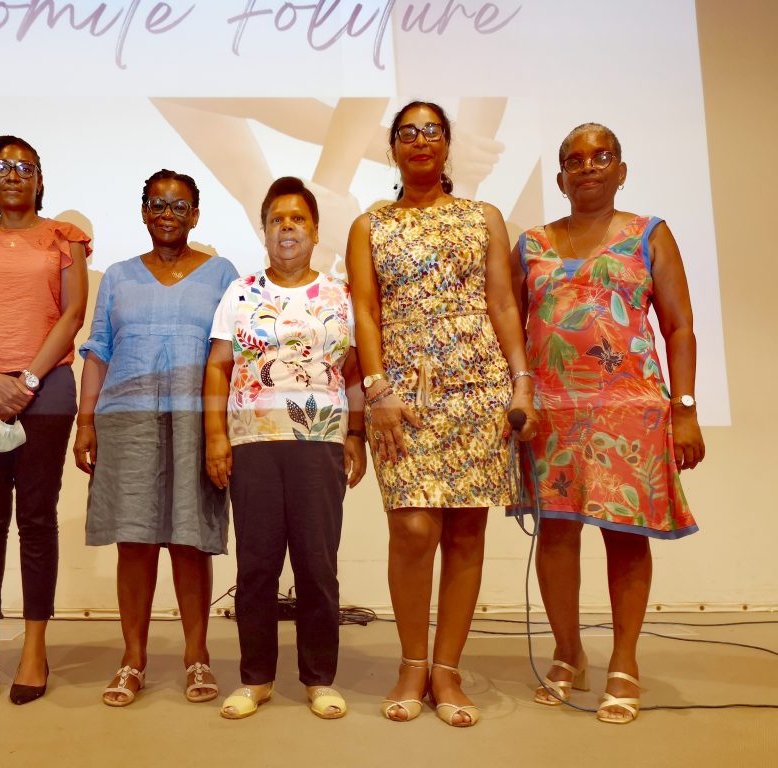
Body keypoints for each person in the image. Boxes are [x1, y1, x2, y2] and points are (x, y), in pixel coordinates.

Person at [346, 101, 537, 726]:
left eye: (432, 131)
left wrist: (522, 383)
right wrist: (377, 391)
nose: (421, 141)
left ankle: (447, 669)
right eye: (408, 132)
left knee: (465, 531)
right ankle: (412, 663)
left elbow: (503, 304)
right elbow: (366, 311)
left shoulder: (483, 218)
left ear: (448, 144)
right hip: (402, 391)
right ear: (393, 148)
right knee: (412, 528)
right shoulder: (370, 225)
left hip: (477, 386)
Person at [509, 123, 704, 725]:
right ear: (561, 177)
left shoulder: (649, 234)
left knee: (626, 537)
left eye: (602, 157)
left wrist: (685, 410)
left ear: (622, 171)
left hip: (631, 412)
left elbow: (679, 326)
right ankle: (569, 652)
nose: (589, 166)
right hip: (552, 414)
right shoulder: (532, 243)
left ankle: (624, 661)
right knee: (556, 536)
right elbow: (509, 329)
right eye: (575, 160)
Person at [205, 176, 367, 720]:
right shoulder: (241, 293)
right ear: (264, 230)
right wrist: (216, 437)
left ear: (316, 231)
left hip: (318, 444)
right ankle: (256, 679)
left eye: (298, 219)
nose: (288, 228)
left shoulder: (340, 296)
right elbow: (218, 368)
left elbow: (353, 372)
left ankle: (319, 679)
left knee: (317, 565)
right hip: (252, 443)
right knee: (256, 566)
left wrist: (356, 434)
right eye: (277, 219)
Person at [73, 169, 237, 706]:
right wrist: (85, 421)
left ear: (196, 215)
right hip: (128, 420)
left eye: (179, 206)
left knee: (191, 541)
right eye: (158, 204)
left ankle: (197, 656)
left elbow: (230, 355)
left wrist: (223, 432)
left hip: (196, 421)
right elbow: (98, 351)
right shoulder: (118, 276)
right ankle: (132, 659)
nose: (168, 214)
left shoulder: (222, 274)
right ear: (144, 211)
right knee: (136, 540)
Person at [0, 135, 90, 706]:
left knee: (36, 518)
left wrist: (26, 381)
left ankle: (34, 647)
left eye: (25, 166)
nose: (14, 174)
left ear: (39, 178)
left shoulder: (64, 238)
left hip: (47, 388)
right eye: (3, 166)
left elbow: (72, 313)